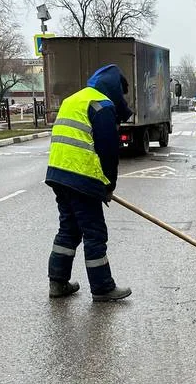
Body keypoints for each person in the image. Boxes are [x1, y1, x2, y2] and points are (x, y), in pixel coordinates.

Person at [45, 64, 134, 301]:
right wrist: (108, 185)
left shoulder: (73, 100)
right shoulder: (101, 106)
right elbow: (108, 151)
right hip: (81, 176)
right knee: (95, 233)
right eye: (122, 93)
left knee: (69, 229)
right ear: (115, 89)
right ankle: (103, 288)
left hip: (58, 173)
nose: (122, 99)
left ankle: (57, 282)